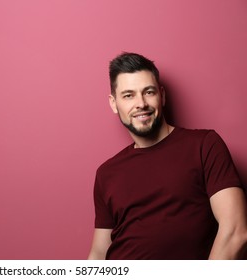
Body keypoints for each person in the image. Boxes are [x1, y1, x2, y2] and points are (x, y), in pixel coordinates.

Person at [88, 52, 247, 260]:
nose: (141, 104)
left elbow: (236, 231)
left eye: (149, 92)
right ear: (113, 103)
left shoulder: (204, 145)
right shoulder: (106, 173)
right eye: (128, 95)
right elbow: (99, 253)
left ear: (162, 96)